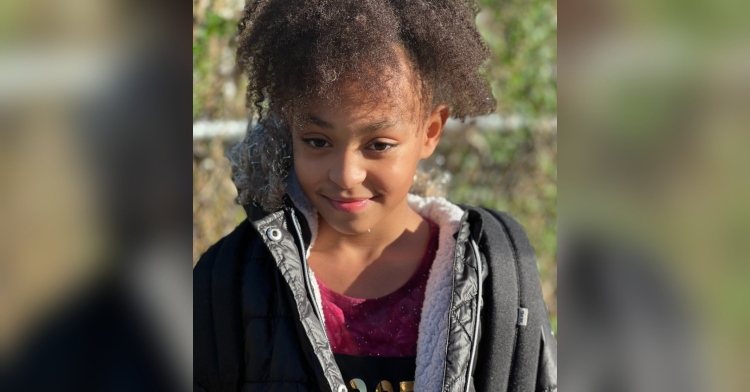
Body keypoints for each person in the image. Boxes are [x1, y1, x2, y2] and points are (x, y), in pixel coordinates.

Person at [194, 0, 557, 391]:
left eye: (379, 145)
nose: (346, 175)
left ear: (431, 131)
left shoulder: (491, 275)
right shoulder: (233, 279)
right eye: (317, 141)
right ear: (289, 124)